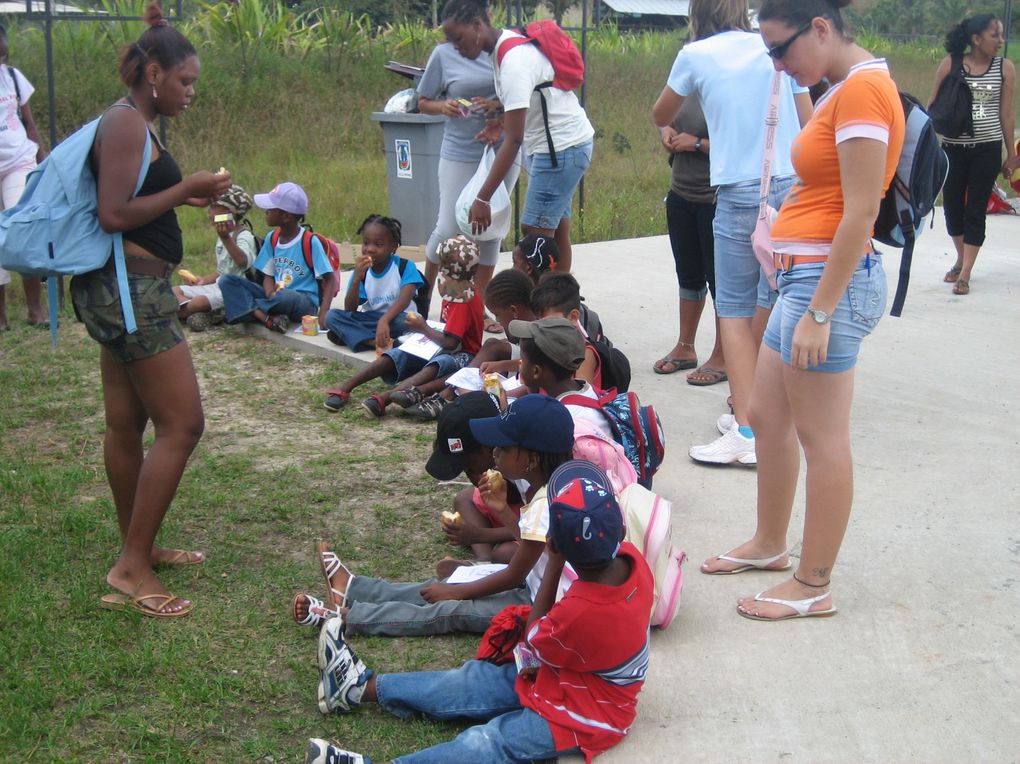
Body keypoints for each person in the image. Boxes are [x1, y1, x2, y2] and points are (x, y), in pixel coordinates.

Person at [700, 0, 904, 622]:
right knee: (763, 415)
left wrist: (820, 310)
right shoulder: (840, 88)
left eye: (780, 49)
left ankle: (814, 585)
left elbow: (863, 211)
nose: (777, 64)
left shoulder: (866, 92)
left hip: (827, 285)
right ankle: (769, 545)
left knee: (823, 439)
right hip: (802, 279)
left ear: (820, 28)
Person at [303, 459, 653, 764]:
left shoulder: (580, 611)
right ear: (620, 530)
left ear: (555, 544)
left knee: (489, 742)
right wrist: (559, 553)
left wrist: (555, 562)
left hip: (592, 714)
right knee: (472, 681)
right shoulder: (634, 562)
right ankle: (356, 687)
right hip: (573, 675)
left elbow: (533, 639)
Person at [72, 2, 232, 617]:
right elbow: (113, 214)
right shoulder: (127, 125)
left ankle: (138, 545)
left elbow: (134, 201)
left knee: (125, 423)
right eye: (186, 81)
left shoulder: (136, 123)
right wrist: (186, 188)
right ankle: (132, 566)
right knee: (182, 425)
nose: (191, 92)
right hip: (130, 294)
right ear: (154, 73)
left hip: (122, 288)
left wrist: (177, 199)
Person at [652, 0, 813, 466]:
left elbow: (661, 111)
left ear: (696, 14)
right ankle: (768, 415)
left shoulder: (696, 55)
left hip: (740, 192)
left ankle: (748, 429)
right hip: (791, 189)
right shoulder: (775, 47)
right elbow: (808, 118)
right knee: (774, 303)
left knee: (736, 312)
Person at [291, 394, 575, 637]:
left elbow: (515, 574)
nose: (495, 453)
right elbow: (530, 546)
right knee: (444, 587)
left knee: (450, 609)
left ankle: (344, 618)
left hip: (543, 603)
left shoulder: (545, 501)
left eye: (503, 448)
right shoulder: (551, 486)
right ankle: (354, 587)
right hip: (532, 586)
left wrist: (457, 594)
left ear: (532, 459)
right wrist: (501, 509)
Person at [441, 0, 595, 273]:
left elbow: (514, 141)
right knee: (555, 231)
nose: (456, 46)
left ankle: (548, 308)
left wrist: (482, 198)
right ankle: (560, 306)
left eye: (458, 38)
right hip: (565, 145)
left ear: (477, 25)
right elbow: (531, 99)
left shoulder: (513, 61)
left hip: (560, 149)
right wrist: (501, 122)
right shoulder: (505, 47)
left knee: (535, 236)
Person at [416, 36, 518, 327]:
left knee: (489, 228)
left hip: (503, 149)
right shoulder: (443, 54)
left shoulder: (504, 50)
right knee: (448, 226)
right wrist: (442, 106)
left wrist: (496, 105)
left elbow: (524, 96)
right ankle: (422, 294)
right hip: (459, 151)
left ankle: (479, 306)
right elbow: (422, 102)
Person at [322, 235, 483, 416]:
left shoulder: (463, 299)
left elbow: (452, 343)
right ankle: (348, 385)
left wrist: (423, 328)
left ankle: (386, 397)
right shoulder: (454, 289)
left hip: (463, 354)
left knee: (440, 363)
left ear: (444, 267)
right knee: (401, 352)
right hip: (440, 344)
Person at [929, 13, 1017, 296]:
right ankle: (960, 258)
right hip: (953, 148)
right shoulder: (951, 64)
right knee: (953, 208)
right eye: (995, 35)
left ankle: (965, 273)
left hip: (987, 149)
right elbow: (932, 106)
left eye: (1002, 35)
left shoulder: (1005, 68)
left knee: (975, 209)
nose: (1001, 41)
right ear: (976, 39)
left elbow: (1006, 113)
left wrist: (1011, 154)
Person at [655, 96, 727, 385]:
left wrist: (697, 144)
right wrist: (667, 132)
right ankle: (685, 346)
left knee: (721, 282)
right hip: (681, 193)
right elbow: (663, 117)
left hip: (717, 198)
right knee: (688, 275)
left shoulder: (727, 85)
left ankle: (723, 356)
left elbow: (746, 147)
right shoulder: (683, 83)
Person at [403, 267, 538, 421]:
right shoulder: (522, 329)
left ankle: (444, 397)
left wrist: (503, 394)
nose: (497, 320)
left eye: (497, 315)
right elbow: (524, 361)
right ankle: (445, 395)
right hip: (516, 382)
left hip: (520, 391)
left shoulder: (538, 338)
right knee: (469, 380)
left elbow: (532, 379)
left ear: (514, 310)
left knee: (476, 391)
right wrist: (501, 366)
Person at [219, 181, 338, 334]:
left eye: (270, 209)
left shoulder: (309, 241)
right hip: (274, 297)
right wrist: (269, 293)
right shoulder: (272, 238)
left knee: (286, 296)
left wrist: (324, 313)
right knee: (227, 281)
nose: (265, 211)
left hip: (302, 302)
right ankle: (268, 318)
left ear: (286, 216)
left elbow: (331, 279)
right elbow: (268, 275)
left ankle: (250, 309)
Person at [0, 24, 48, 330]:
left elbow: (28, 123)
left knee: (23, 231)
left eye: (2, 54)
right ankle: (0, 316)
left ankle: (35, 309)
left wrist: (44, 165)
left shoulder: (13, 77)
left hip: (19, 161)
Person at [323, 214, 422, 352]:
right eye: (366, 242)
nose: (369, 249)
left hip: (398, 319)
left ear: (393, 247)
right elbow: (350, 309)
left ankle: (353, 336)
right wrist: (357, 279)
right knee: (331, 316)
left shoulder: (405, 266)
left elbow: (403, 301)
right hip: (372, 320)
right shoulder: (362, 272)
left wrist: (385, 320)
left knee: (409, 322)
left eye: (379, 244)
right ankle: (376, 342)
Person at [510, 316, 613, 439]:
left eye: (523, 359)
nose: (520, 363)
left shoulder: (559, 420)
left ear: (536, 371)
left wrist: (506, 411)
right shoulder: (585, 388)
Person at [173, 183, 257, 331]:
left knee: (197, 303)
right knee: (174, 291)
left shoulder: (243, 236)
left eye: (212, 207)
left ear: (228, 212)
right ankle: (203, 313)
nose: (209, 212)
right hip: (216, 286)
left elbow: (243, 262)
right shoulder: (222, 236)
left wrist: (226, 238)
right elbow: (221, 271)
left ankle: (196, 311)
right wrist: (202, 281)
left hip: (234, 291)